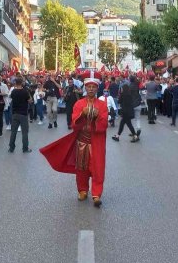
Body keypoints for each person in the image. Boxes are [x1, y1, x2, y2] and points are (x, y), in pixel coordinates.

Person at [40, 71, 108, 207]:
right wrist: (82, 115)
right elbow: (74, 124)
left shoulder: (102, 105)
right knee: (81, 169)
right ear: (85, 87)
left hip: (96, 143)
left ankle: (96, 194)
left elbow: (104, 124)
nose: (91, 89)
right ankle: (82, 190)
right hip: (82, 141)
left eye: (93, 87)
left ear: (97, 88)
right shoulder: (79, 104)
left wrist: (96, 118)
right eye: (88, 86)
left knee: (98, 169)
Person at [8, 78, 32, 153]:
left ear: (15, 83)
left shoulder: (13, 91)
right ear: (21, 83)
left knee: (13, 132)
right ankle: (25, 148)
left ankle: (11, 148)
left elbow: (11, 98)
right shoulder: (25, 92)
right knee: (24, 132)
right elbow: (30, 101)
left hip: (15, 114)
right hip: (23, 114)